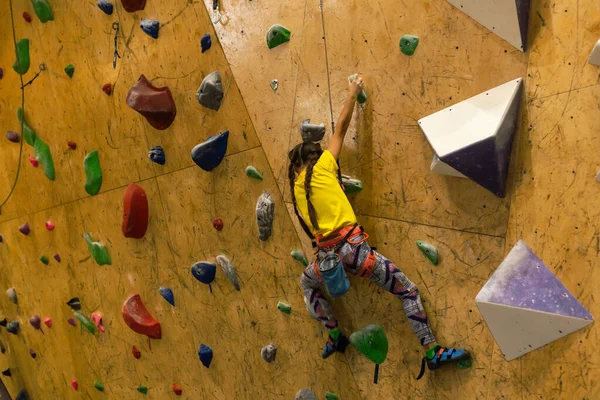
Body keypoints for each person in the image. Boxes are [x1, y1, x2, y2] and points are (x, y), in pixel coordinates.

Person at [288, 74, 470, 380]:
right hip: (358, 254)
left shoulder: (295, 191)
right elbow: (341, 129)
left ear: (295, 167)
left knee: (306, 283)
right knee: (408, 291)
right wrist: (352, 92)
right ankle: (431, 351)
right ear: (314, 158)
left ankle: (334, 335)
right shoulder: (323, 167)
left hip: (326, 262)